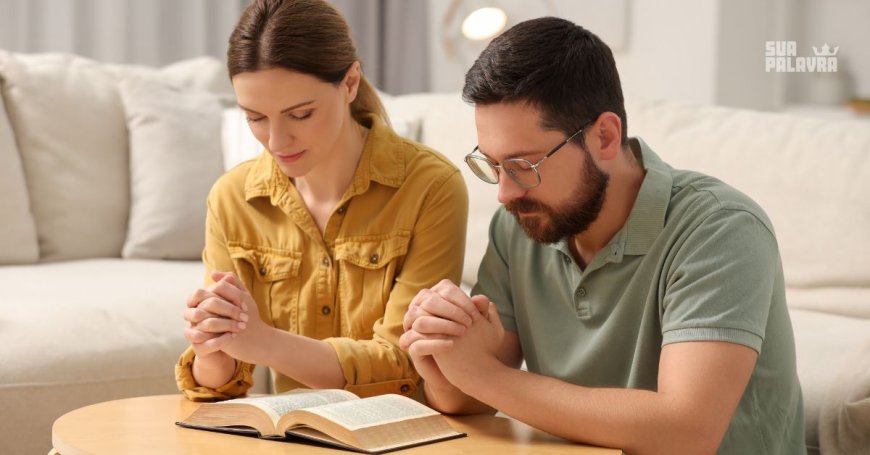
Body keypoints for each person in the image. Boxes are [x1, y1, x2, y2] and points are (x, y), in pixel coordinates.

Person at [400, 17, 805, 454]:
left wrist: (485, 375)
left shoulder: (722, 228)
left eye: (523, 166)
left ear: (605, 136)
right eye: (493, 165)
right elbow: (471, 399)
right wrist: (439, 354)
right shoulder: (522, 222)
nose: (504, 193)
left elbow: (687, 431)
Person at [175, 0, 467, 401]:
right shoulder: (232, 199)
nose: (276, 142)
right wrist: (211, 342)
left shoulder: (430, 187)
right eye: (255, 118)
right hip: (296, 435)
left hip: (405, 433)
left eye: (300, 114)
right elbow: (221, 380)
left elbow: (408, 364)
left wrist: (262, 342)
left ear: (350, 83)